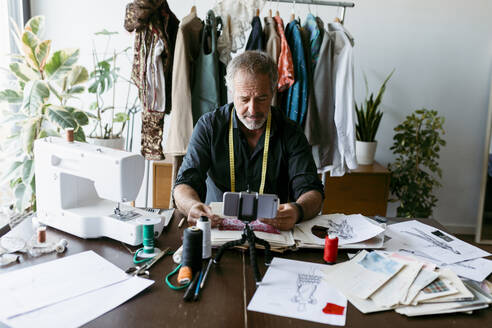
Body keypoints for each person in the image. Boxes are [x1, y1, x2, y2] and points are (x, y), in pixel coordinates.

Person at [173, 51, 324, 231]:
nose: (252, 109)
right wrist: (192, 206)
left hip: (273, 231)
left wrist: (298, 210)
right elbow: (184, 183)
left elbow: (312, 191)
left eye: (261, 98)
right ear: (231, 92)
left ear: (273, 91)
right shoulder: (210, 126)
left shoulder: (290, 132)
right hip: (218, 226)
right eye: (244, 99)